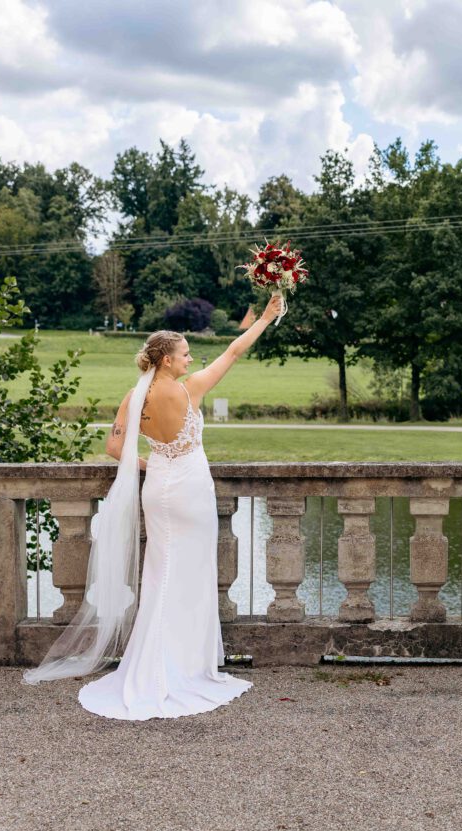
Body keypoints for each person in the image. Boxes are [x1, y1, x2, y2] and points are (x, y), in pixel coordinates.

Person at [24, 293, 285, 720]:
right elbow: (235, 350)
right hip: (190, 490)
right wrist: (269, 316)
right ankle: (185, 666)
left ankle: (153, 662)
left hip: (159, 489)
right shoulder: (190, 390)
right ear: (165, 360)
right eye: (184, 354)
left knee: (160, 574)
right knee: (192, 574)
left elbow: (113, 445)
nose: (190, 360)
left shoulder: (134, 396)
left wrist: (152, 462)